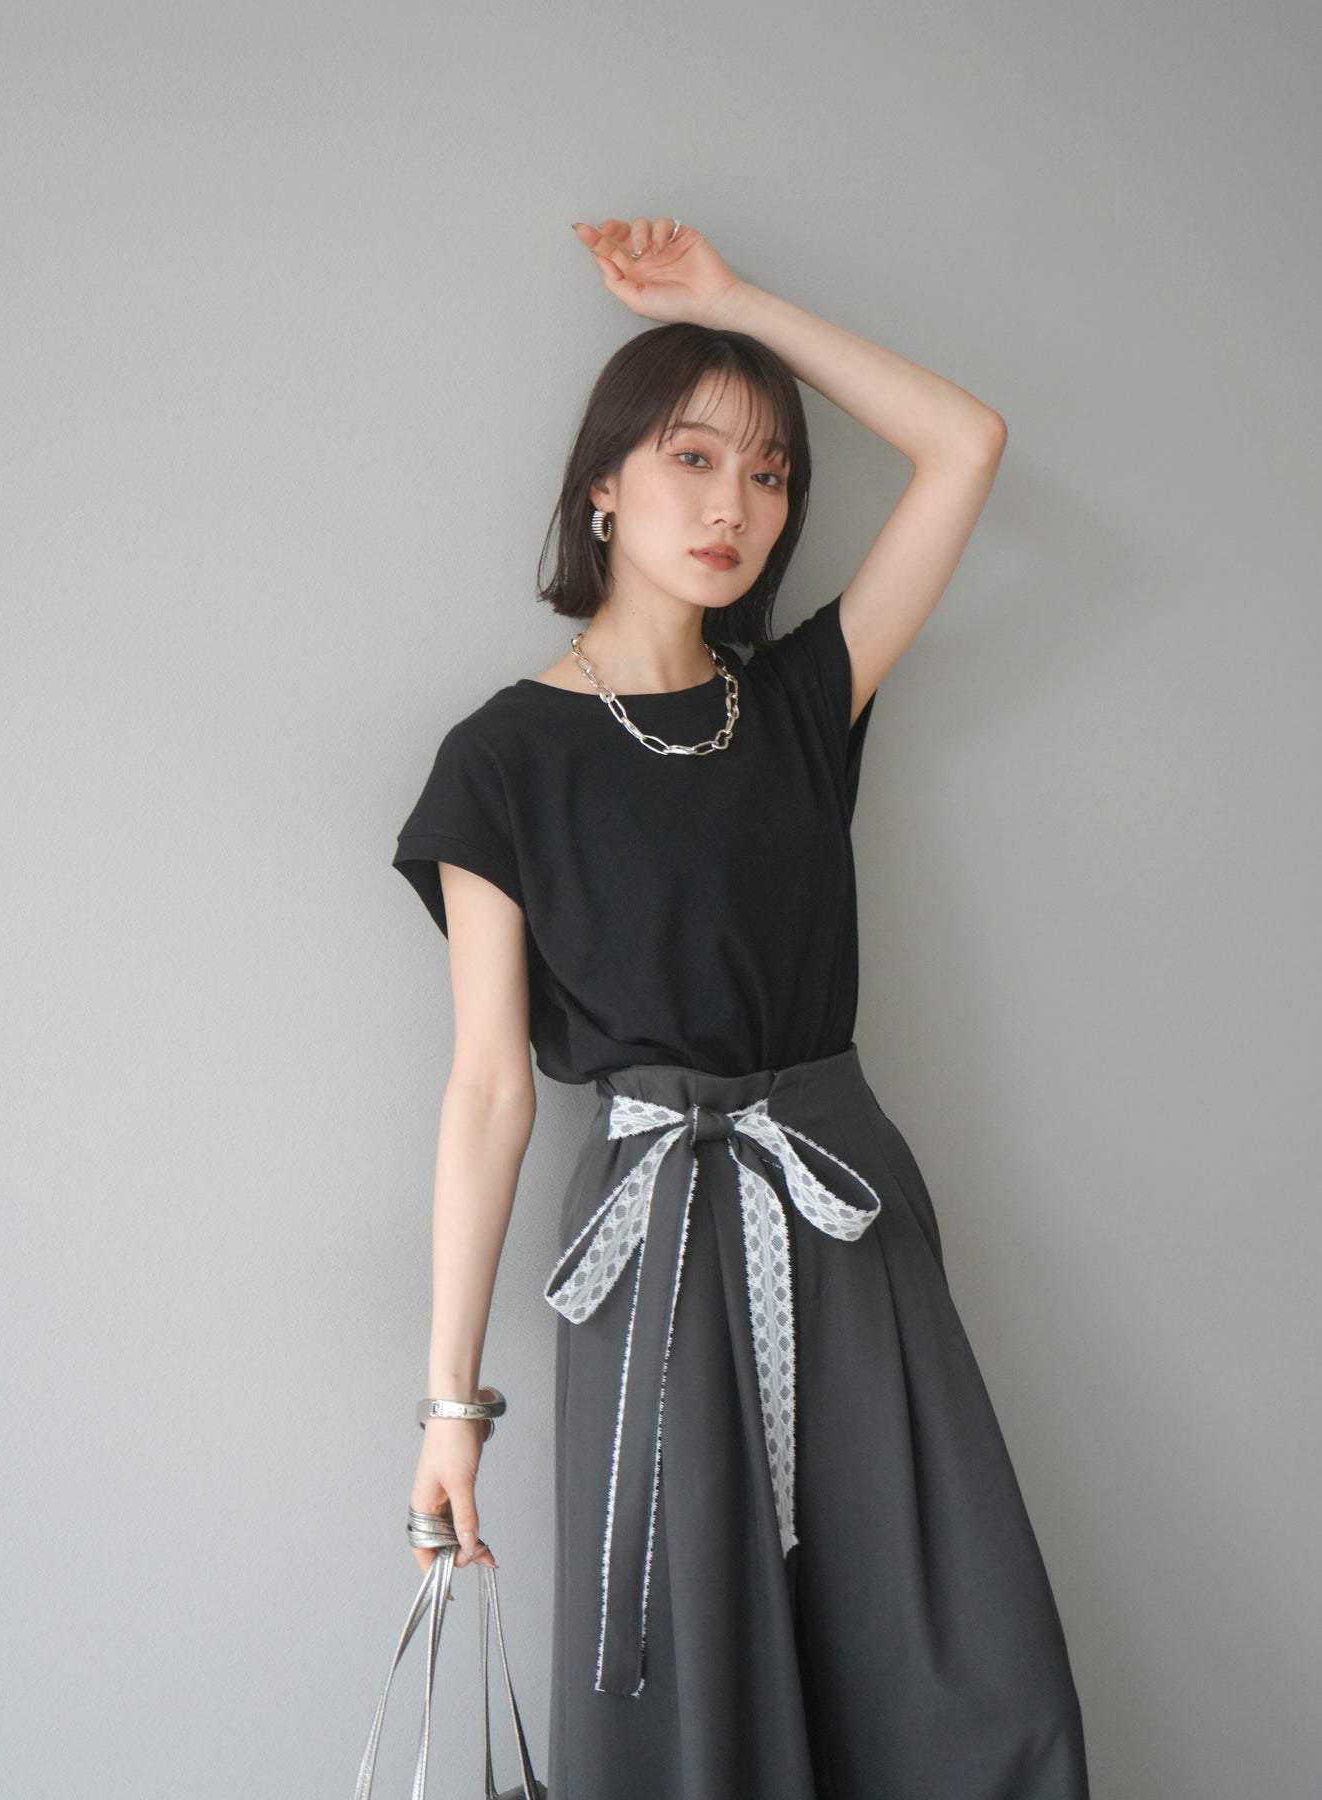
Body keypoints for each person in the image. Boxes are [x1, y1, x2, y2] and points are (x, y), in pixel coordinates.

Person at [390, 214, 1090, 1799]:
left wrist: (732, 303)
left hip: (841, 1208)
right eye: (692, 458)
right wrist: (449, 1406)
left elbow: (964, 443)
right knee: (691, 1678)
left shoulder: (797, 698)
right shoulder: (498, 762)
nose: (732, 506)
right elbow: (489, 1091)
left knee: (964, 1661)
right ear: (602, 483)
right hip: (646, 1249)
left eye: (770, 475)